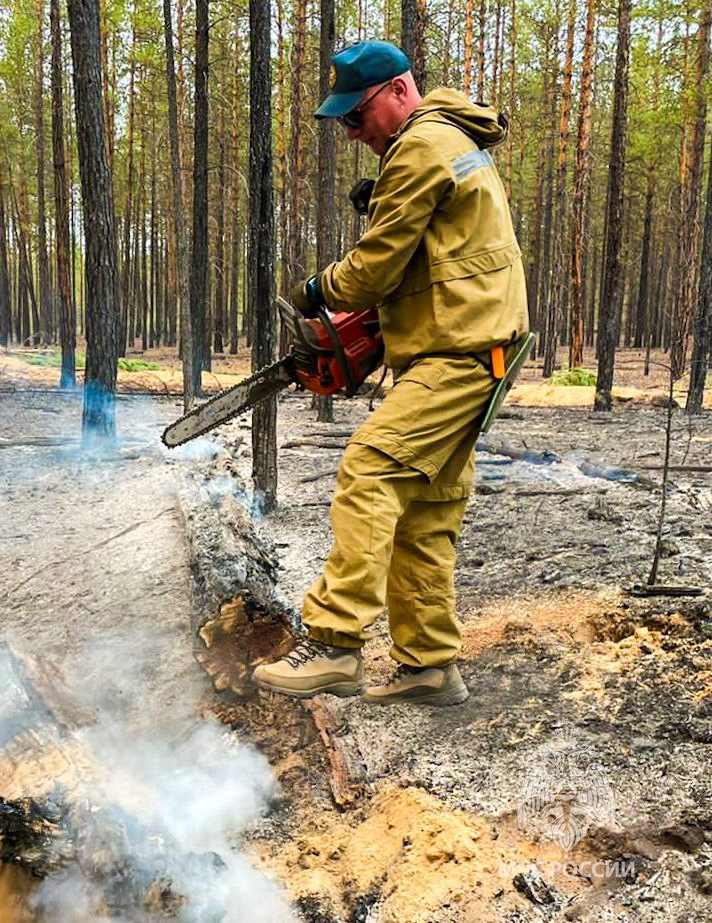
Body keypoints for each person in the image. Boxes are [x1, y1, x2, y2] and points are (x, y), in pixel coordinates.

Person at [252, 41, 529, 706]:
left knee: (370, 470)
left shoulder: (420, 144)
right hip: (472, 347)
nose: (351, 131)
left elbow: (374, 267)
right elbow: (427, 265)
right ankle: (429, 663)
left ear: (399, 91)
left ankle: (336, 643)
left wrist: (315, 290)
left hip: (461, 353)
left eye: (357, 115)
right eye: (343, 120)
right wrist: (380, 331)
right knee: (425, 511)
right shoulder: (448, 141)